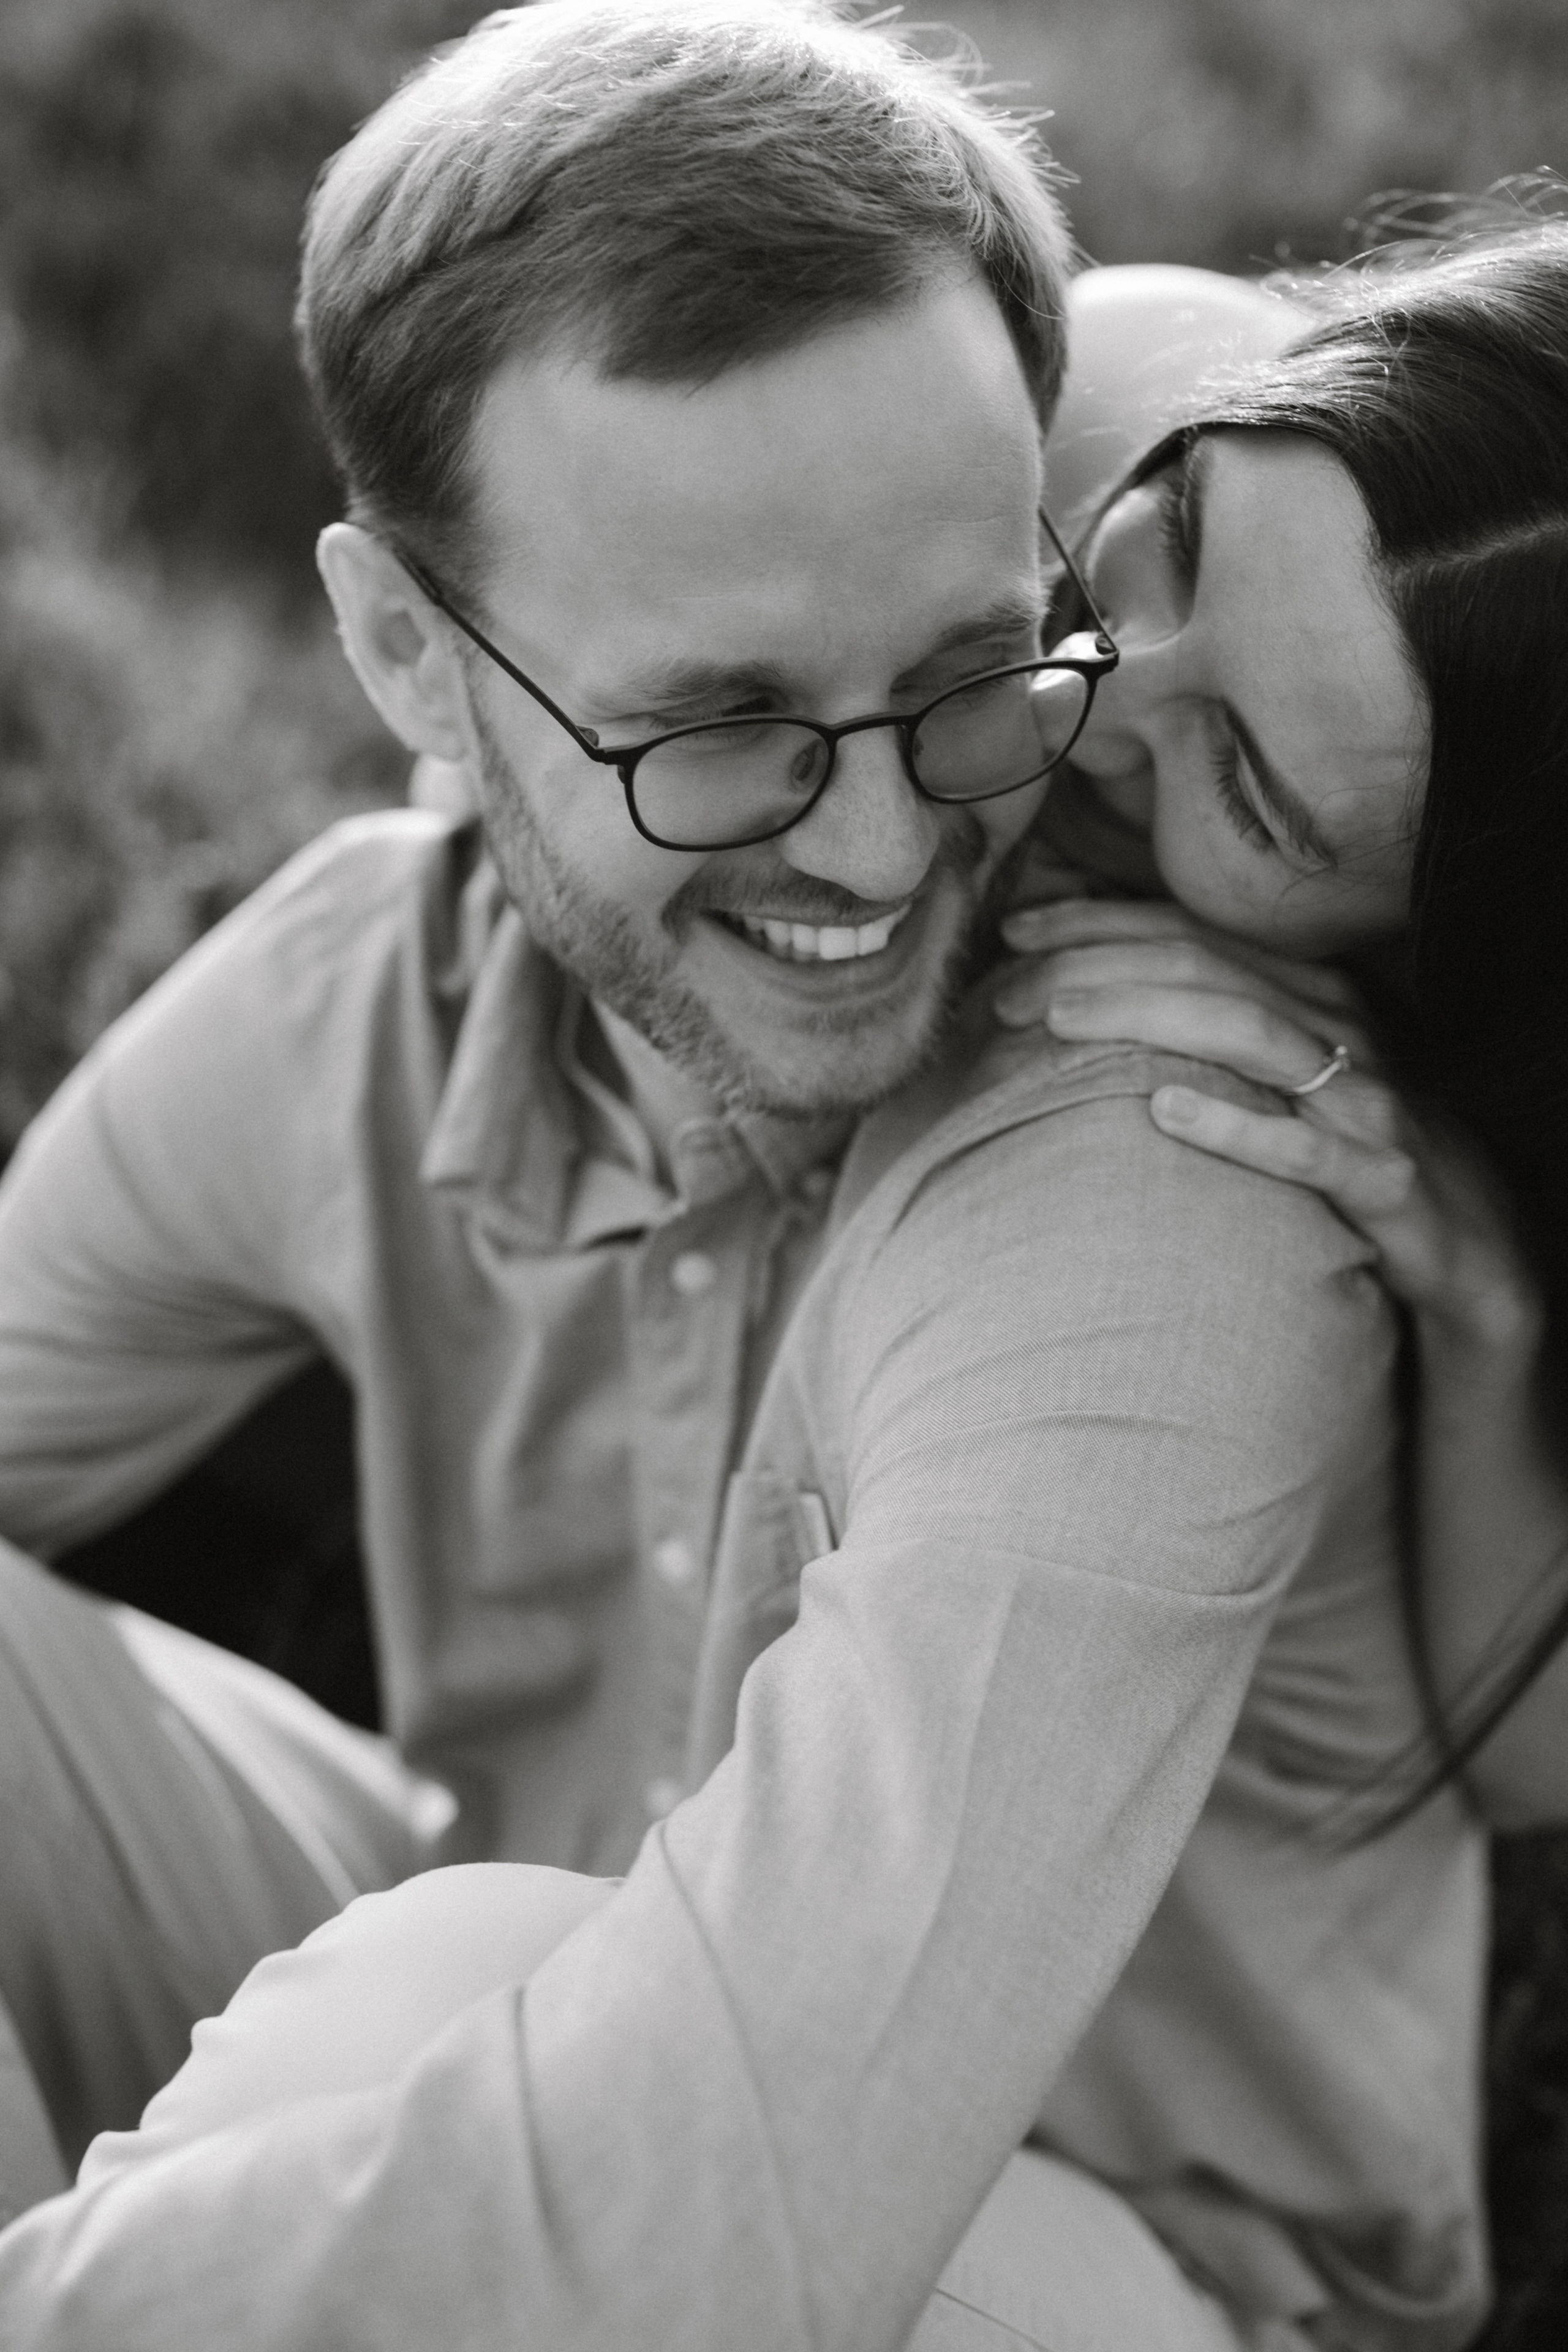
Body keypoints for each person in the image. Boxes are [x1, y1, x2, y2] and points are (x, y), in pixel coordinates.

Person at [0, 7, 1483, 2350]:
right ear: (406, 645)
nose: (894, 845)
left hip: (1126, 2260)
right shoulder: (349, 1004)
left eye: (973, 671)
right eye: (723, 725)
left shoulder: (1164, 1154)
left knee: (430, 1993)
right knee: (446, 1955)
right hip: (538, 1938)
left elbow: (723, 2185)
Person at [995, 207, 1568, 1834]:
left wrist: (1488, 1323)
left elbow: (1530, 1769)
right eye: (1172, 538)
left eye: (1241, 780)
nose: (1071, 705)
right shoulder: (1090, 387)